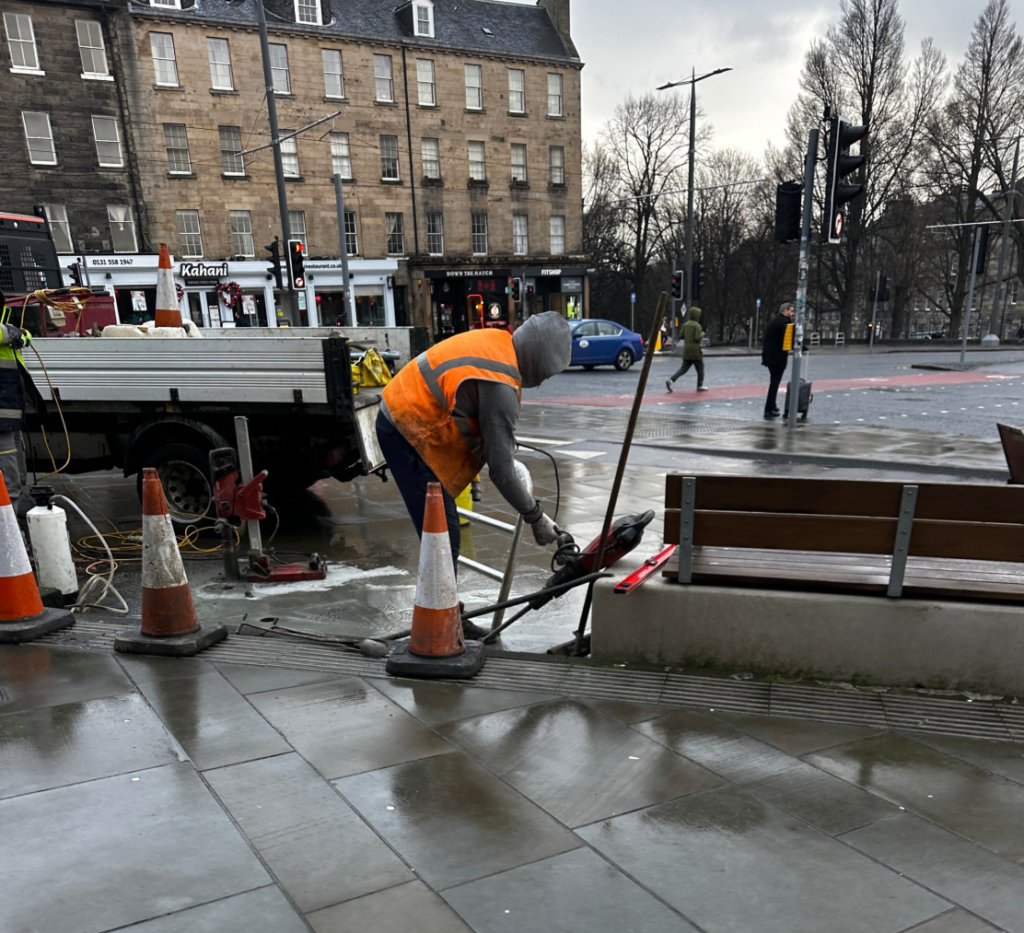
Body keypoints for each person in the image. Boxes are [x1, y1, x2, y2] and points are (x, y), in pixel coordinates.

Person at [376, 311, 572, 578]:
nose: (544, 380)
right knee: (441, 537)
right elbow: (502, 471)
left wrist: (474, 474)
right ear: (538, 360)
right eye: (548, 373)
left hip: (402, 411)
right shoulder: (501, 383)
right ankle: (444, 616)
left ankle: (448, 611)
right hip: (406, 428)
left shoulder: (498, 344)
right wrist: (535, 517)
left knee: (442, 532)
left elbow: (468, 415)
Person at [0, 307, 32, 514]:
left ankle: (12, 525)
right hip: (3, 414)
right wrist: (13, 333)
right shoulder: (5, 330)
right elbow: (9, 333)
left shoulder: (7, 324)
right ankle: (8, 533)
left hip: (11, 410)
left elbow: (25, 335)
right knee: (10, 478)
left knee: (18, 473)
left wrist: (21, 334)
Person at [761, 301, 795, 419]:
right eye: (791, 311)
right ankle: (768, 409)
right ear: (785, 311)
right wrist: (801, 348)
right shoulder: (786, 323)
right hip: (778, 358)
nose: (792, 314)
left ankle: (773, 405)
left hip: (769, 357)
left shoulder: (775, 321)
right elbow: (787, 341)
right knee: (774, 384)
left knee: (773, 381)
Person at [666, 306, 709, 392]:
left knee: (683, 369)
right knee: (700, 368)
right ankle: (700, 385)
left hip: (687, 350)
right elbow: (697, 337)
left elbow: (681, 336)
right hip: (695, 351)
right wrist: (703, 334)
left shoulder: (686, 325)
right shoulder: (697, 326)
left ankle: (671, 380)